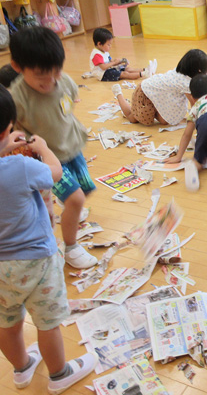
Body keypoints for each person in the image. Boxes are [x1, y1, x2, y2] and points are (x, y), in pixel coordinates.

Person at [0, 85, 98, 394]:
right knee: (47, 321)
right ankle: (59, 374)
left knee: (7, 322)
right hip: (36, 259)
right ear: (7, 127)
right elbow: (54, 172)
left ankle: (21, 369)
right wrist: (43, 148)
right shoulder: (20, 166)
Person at [9, 26, 97, 269]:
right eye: (40, 76)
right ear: (17, 67)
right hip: (46, 159)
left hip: (72, 147)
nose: (50, 81)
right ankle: (71, 247)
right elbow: (12, 133)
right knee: (76, 199)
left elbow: (68, 105)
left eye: (55, 72)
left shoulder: (64, 81)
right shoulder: (17, 98)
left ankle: (64, 201)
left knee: (84, 191)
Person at [112, 49, 207, 126]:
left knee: (164, 121)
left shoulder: (183, 71)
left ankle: (147, 107)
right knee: (133, 118)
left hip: (156, 94)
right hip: (145, 92)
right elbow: (194, 104)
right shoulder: (185, 82)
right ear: (196, 70)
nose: (206, 73)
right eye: (204, 70)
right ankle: (118, 94)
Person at [85, 27, 155, 81]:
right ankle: (143, 74)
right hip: (103, 74)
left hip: (108, 70)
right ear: (99, 44)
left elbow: (110, 62)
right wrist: (114, 62)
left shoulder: (104, 51)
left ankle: (146, 69)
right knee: (125, 74)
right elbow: (103, 67)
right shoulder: (96, 54)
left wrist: (120, 62)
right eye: (108, 44)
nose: (110, 46)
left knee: (126, 69)